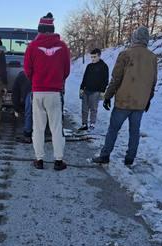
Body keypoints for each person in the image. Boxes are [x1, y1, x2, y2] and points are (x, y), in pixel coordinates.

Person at [92, 26, 157, 166]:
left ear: (134, 38)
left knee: (113, 129)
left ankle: (105, 155)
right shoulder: (152, 58)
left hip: (124, 101)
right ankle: (129, 159)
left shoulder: (125, 54)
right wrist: (148, 100)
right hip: (140, 103)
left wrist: (108, 96)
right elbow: (153, 82)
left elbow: (116, 78)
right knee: (134, 132)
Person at [24, 12, 71, 170]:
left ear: (40, 29)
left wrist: (36, 81)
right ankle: (58, 161)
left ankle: (39, 160)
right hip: (55, 93)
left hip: (38, 92)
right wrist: (57, 80)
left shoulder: (32, 47)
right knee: (56, 127)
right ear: (52, 29)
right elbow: (66, 70)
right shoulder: (63, 47)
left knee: (38, 127)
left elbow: (27, 70)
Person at [78, 48, 109, 131]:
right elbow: (84, 78)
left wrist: (102, 91)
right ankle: (84, 124)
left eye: (94, 57)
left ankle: (92, 124)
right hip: (86, 90)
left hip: (96, 91)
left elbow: (105, 80)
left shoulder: (104, 66)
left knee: (93, 108)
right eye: (91, 57)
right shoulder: (89, 66)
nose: (92, 59)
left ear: (99, 56)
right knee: (84, 108)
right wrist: (81, 88)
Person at [12, 71, 33, 143]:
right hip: (45, 93)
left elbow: (15, 93)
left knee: (28, 113)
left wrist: (16, 109)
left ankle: (27, 135)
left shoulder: (22, 75)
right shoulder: (42, 70)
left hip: (31, 94)